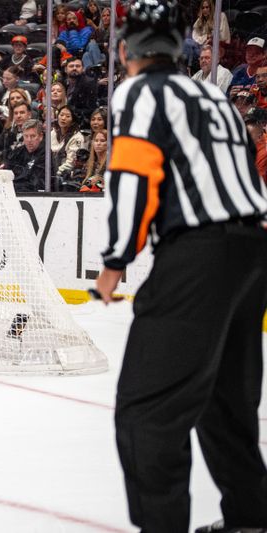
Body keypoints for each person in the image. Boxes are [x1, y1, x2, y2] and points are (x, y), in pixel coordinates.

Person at [94, 2, 267, 532]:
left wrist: (115, 260)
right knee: (225, 401)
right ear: (179, 47)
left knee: (147, 411)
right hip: (253, 252)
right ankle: (251, 516)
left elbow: (134, 175)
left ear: (125, 51)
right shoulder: (214, 95)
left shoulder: (138, 93)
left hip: (198, 256)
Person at [6, 119, 46, 192]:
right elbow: (6, 174)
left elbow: (36, 182)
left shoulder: (46, 155)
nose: (29, 140)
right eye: (26, 136)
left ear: (40, 136)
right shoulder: (16, 152)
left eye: (33, 136)